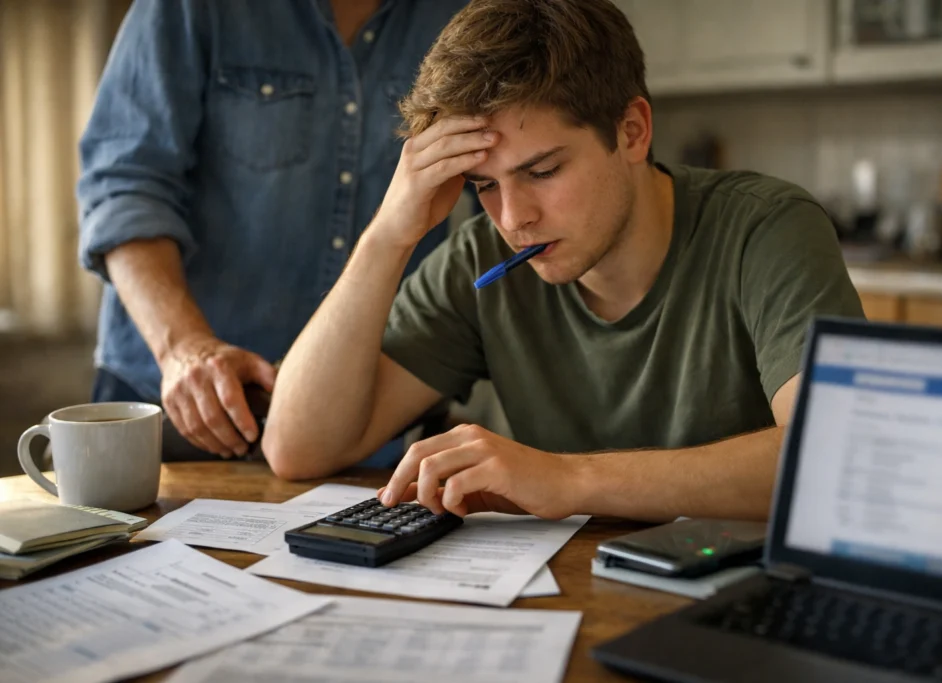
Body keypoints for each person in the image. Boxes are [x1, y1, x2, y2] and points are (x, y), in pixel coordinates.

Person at [262, 0, 865, 522]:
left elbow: (835, 455)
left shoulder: (766, 227)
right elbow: (296, 448)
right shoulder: (482, 258)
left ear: (632, 131)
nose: (512, 218)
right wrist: (390, 234)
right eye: (484, 185)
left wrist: (568, 479)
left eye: (543, 171)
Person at [76, 0, 467, 462]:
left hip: (369, 421)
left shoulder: (464, 12)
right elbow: (125, 187)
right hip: (179, 401)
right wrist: (185, 347)